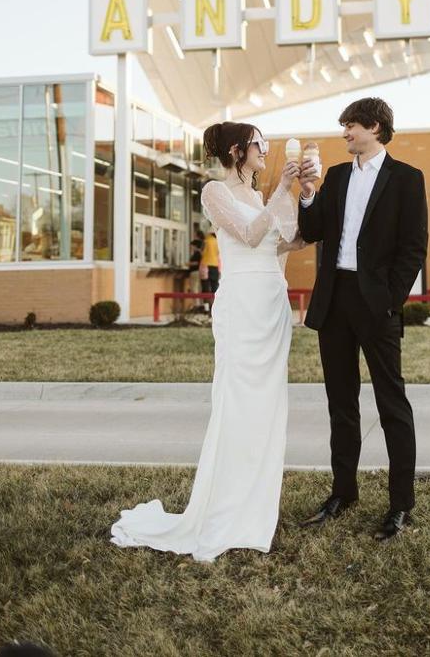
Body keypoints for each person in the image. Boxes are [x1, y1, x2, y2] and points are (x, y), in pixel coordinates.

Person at [111, 122, 302, 562]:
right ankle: (225, 514)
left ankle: (256, 513)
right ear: (237, 149)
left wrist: (304, 193)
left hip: (271, 303)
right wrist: (283, 188)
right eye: (260, 143)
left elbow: (287, 244)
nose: (266, 150)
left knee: (269, 410)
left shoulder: (262, 195)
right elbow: (250, 236)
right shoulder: (215, 192)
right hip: (241, 306)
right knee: (239, 406)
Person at [296, 97, 428, 541]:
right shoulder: (334, 177)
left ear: (374, 126)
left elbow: (414, 247)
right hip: (334, 301)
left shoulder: (407, 179)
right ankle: (343, 492)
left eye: (350, 125)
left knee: (392, 404)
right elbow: (314, 231)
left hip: (378, 305)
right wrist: (309, 194)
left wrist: (391, 300)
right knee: (341, 403)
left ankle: (399, 505)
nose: (344, 132)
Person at [200, 230, 220, 301]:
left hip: (205, 266)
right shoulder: (218, 242)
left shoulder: (206, 241)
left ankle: (206, 307)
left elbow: (202, 252)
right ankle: (213, 305)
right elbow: (219, 253)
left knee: (205, 287)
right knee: (214, 287)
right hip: (215, 265)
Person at [188, 222, 204, 310]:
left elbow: (197, 263)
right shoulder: (198, 252)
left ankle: (196, 305)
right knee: (197, 288)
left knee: (195, 288)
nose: (191, 248)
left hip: (195, 272)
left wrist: (188, 264)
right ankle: (199, 304)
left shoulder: (197, 253)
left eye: (192, 246)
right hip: (196, 272)